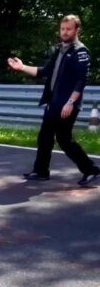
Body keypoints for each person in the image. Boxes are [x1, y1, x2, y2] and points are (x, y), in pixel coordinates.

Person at [7, 14, 100, 186]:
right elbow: (45, 71)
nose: (64, 32)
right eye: (62, 29)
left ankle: (91, 169)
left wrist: (70, 103)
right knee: (45, 137)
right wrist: (22, 67)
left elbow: (81, 81)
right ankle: (41, 171)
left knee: (64, 140)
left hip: (67, 104)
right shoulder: (59, 50)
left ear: (77, 30)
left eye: (68, 29)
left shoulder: (80, 52)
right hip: (53, 102)